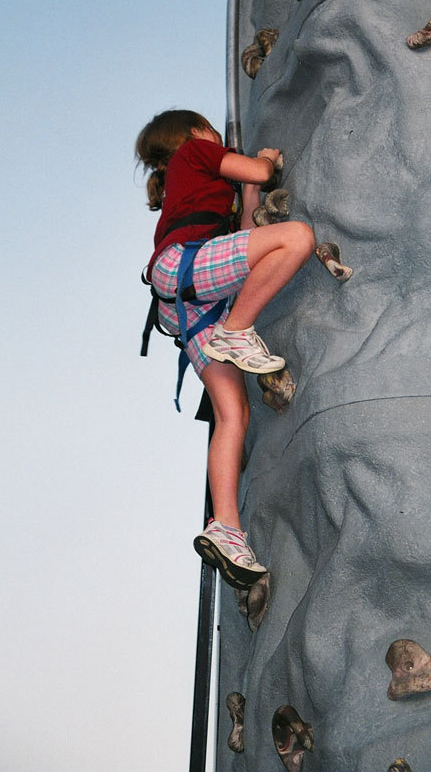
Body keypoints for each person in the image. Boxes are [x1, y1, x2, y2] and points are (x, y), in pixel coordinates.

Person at [136, 109, 315, 588]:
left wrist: (249, 194)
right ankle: (238, 332)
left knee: (233, 415)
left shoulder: (191, 186)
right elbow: (258, 170)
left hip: (185, 302)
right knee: (297, 238)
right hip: (187, 271)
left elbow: (244, 240)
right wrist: (264, 161)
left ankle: (226, 528)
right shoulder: (196, 152)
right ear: (195, 133)